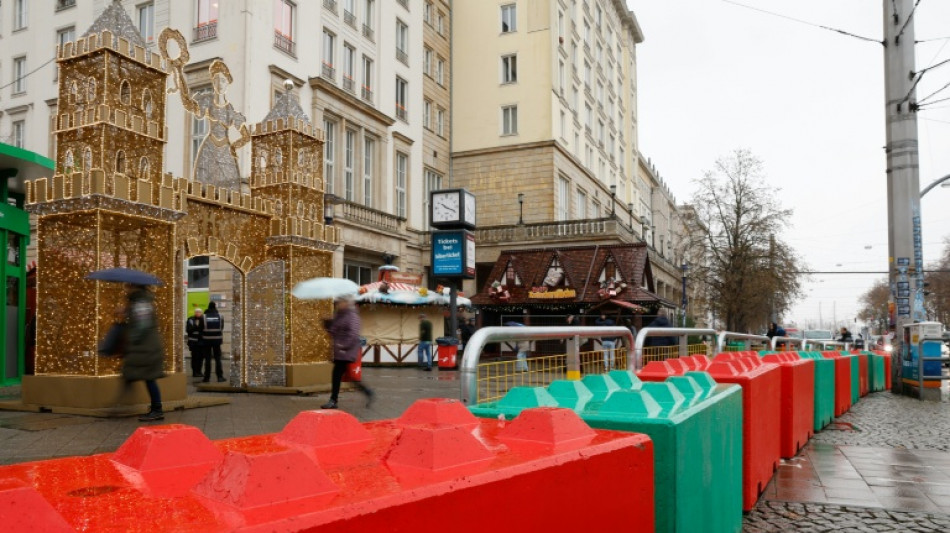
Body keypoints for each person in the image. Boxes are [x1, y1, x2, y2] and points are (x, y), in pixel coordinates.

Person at [114, 284, 165, 422]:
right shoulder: (138, 302)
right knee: (146, 377)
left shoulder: (141, 303)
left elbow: (142, 325)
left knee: (146, 377)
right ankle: (155, 408)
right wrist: (126, 312)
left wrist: (132, 338)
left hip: (146, 347)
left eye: (128, 287)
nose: (126, 289)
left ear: (135, 288)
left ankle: (156, 409)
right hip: (145, 347)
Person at [322, 295, 373, 409]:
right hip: (339, 351)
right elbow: (333, 331)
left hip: (346, 351)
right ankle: (368, 392)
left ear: (347, 303)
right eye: (337, 302)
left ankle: (333, 400)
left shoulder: (352, 316)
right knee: (349, 377)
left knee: (337, 375)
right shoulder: (339, 315)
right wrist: (326, 322)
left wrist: (342, 346)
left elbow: (353, 335)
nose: (338, 304)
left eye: (340, 302)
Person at [202, 302, 225, 382]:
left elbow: (201, 328)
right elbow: (222, 327)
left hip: (206, 340)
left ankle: (206, 377)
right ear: (215, 307)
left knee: (207, 359)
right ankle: (220, 377)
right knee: (218, 359)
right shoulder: (220, 316)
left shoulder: (204, 316)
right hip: (217, 340)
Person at [186, 308, 205, 378]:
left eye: (199, 312)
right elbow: (188, 330)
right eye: (196, 312)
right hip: (193, 342)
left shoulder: (203, 320)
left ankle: (199, 371)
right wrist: (196, 327)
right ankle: (194, 372)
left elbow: (204, 330)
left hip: (202, 342)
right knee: (194, 357)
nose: (198, 313)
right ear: (194, 313)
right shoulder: (190, 319)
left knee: (201, 358)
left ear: (201, 313)